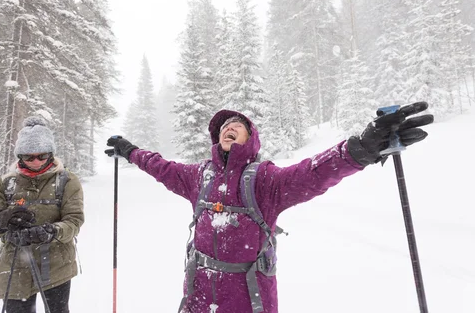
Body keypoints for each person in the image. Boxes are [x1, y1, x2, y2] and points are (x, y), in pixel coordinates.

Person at [106, 102, 433, 313]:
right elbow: (159, 166)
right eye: (223, 126)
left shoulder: (264, 180)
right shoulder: (198, 175)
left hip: (249, 302)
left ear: (251, 137)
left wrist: (360, 150)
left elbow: (313, 172)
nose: (228, 127)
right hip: (198, 298)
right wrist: (130, 150)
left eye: (237, 124)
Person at [0, 116, 84, 313]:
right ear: (20, 157)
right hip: (14, 266)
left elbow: (74, 221)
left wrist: (52, 231)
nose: (36, 162)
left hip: (56, 264)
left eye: (42, 156)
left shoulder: (66, 181)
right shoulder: (6, 183)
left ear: (51, 154)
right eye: (29, 157)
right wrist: (0, 221)